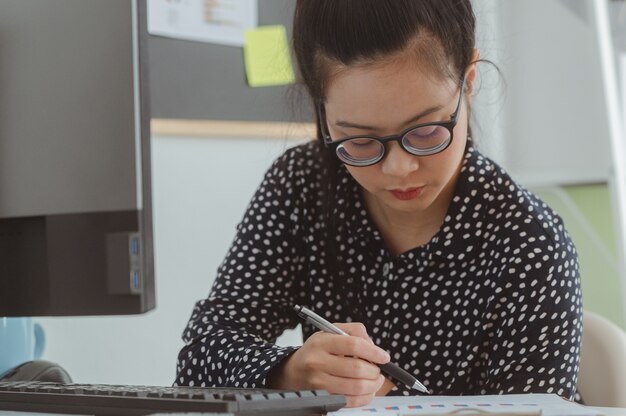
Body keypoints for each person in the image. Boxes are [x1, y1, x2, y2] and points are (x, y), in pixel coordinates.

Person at [175, 0, 582, 407]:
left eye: (425, 132)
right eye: (361, 140)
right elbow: (198, 358)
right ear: (324, 112)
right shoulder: (302, 187)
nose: (398, 168)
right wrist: (288, 371)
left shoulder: (531, 246)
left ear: (469, 80)